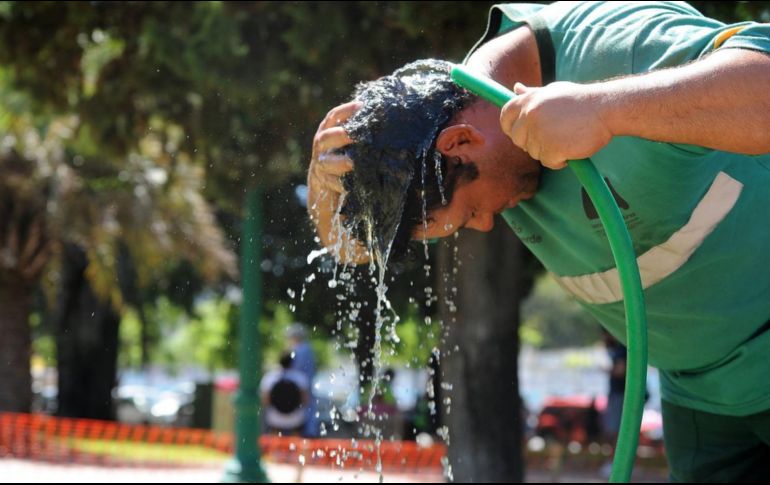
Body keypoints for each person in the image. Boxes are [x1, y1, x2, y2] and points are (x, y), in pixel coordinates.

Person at [307, 2, 770, 481]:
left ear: (461, 143)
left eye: (469, 213)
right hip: (701, 398)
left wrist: (605, 110)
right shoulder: (473, 141)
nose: (486, 225)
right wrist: (323, 182)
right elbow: (350, 252)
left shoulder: (607, 42)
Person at [260, 352, 310, 435]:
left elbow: (265, 401)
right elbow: (306, 401)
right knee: (296, 445)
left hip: (274, 420)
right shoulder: (300, 377)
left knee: (274, 444)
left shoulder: (269, 378)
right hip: (296, 420)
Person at [286, 323, 319, 437]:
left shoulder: (299, 350)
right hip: (306, 384)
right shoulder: (307, 349)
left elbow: (295, 369)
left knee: (303, 408)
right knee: (309, 408)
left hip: (300, 385)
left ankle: (307, 432)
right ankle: (310, 431)